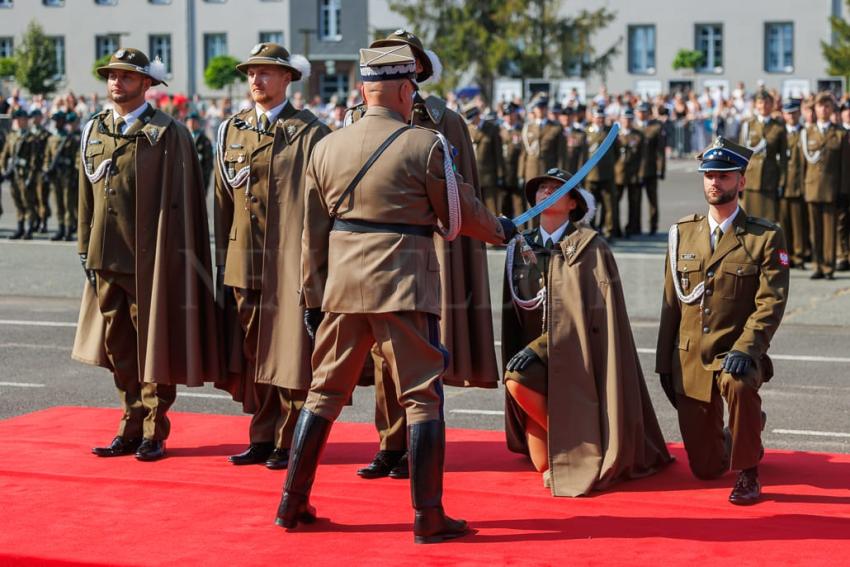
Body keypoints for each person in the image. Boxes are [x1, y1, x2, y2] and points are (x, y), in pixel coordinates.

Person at [275, 44, 514, 543]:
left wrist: (313, 297)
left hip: (342, 287)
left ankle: (290, 504)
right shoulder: (424, 145)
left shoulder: (326, 147)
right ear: (406, 90)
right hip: (403, 285)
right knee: (423, 399)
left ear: (364, 89)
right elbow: (459, 214)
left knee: (324, 394)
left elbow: (311, 233)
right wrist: (501, 231)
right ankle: (428, 516)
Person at [351, 30, 504, 480]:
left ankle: (419, 449)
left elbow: (461, 196)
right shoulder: (356, 118)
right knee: (383, 356)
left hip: (431, 251)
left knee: (421, 353)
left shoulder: (443, 121)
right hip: (375, 252)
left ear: (417, 68)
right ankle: (389, 444)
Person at [71, 48, 219, 461]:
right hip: (106, 256)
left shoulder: (168, 133)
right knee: (119, 347)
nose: (116, 83)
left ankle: (154, 430)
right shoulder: (95, 129)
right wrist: (85, 246)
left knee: (154, 347)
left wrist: (173, 260)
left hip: (149, 261)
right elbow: (85, 194)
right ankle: (129, 423)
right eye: (112, 76)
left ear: (147, 84)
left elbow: (184, 202)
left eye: (126, 77)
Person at [502, 168, 671, 495]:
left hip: (578, 358)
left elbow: (592, 320)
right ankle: (573, 439)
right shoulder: (521, 246)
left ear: (573, 204)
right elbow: (517, 317)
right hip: (535, 359)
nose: (545, 193)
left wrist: (539, 349)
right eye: (540, 189)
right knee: (539, 462)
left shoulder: (588, 247)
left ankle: (580, 444)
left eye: (555, 189)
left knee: (516, 382)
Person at [214, 43, 330, 470]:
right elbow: (223, 202)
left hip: (290, 264)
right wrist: (222, 260)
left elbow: (323, 205)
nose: (256, 81)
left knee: (291, 352)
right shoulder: (233, 129)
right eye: (251, 74)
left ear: (288, 79)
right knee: (252, 350)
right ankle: (261, 436)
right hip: (245, 259)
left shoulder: (311, 132)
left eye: (266, 73)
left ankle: (288, 439)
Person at [656, 137, 789, 505]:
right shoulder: (682, 233)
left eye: (724, 176)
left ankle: (749, 472)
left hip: (737, 354)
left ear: (741, 182)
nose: (715, 182)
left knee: (739, 383)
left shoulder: (764, 236)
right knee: (706, 468)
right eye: (709, 175)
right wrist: (664, 364)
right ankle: (748, 427)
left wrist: (747, 349)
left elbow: (771, 302)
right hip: (691, 357)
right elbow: (671, 303)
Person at [801, 92, 850, 280]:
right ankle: (818, 265)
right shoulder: (807, 133)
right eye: (820, 106)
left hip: (831, 188)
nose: (823, 109)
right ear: (815, 109)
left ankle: (829, 267)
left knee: (830, 230)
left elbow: (844, 166)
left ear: (831, 110)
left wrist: (844, 190)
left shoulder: (840, 133)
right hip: (812, 188)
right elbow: (802, 165)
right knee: (815, 230)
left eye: (827, 106)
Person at [737, 90, 787, 222]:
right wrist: (738, 179)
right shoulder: (748, 126)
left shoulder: (779, 127)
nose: (763, 105)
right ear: (755, 105)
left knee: (769, 221)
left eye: (767, 102)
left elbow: (783, 159)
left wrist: (782, 182)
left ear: (772, 105)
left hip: (770, 180)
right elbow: (741, 156)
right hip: (750, 180)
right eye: (760, 102)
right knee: (748, 221)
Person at [42, 111, 81, 241]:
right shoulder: (51, 139)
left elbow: (77, 158)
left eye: (57, 121)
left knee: (67, 203)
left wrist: (75, 174)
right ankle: (61, 228)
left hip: (67, 176)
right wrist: (47, 168)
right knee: (58, 203)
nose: (55, 123)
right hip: (55, 176)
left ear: (63, 122)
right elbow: (47, 157)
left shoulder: (71, 138)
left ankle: (69, 230)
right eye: (54, 121)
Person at [779, 99, 808, 269]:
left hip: (799, 185)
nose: (791, 116)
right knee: (784, 225)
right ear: (783, 115)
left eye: (794, 112)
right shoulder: (780, 133)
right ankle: (785, 257)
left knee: (799, 224)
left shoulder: (805, 133)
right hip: (782, 185)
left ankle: (799, 256)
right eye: (788, 113)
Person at [463, 101, 505, 215]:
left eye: (473, 118)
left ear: (477, 115)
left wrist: (500, 174)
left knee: (492, 209)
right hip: (472, 175)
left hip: (489, 175)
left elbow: (498, 153)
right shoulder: (467, 129)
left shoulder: (491, 128)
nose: (472, 122)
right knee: (476, 209)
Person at [0, 109, 36, 239]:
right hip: (13, 174)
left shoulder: (31, 138)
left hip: (24, 175)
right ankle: (20, 227)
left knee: (28, 202)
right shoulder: (12, 136)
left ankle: (29, 229)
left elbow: (33, 160)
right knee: (17, 201)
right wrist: (4, 169)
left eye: (22, 119)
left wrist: (30, 177)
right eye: (18, 119)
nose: (19, 122)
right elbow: (5, 154)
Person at [585, 105, 619, 238]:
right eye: (598, 117)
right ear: (592, 118)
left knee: (609, 205)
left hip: (607, 174)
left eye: (602, 118)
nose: (600, 120)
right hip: (590, 175)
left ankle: (609, 231)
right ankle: (591, 231)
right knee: (590, 206)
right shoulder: (586, 132)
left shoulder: (610, 133)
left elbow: (616, 152)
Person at [517, 95, 565, 187]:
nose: (540, 110)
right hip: (531, 170)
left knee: (549, 199)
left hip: (549, 169)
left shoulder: (556, 128)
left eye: (543, 108)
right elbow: (523, 153)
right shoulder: (528, 127)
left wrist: (560, 173)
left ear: (547, 109)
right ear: (534, 110)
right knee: (531, 199)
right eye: (538, 108)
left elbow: (561, 154)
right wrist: (521, 174)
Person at [635, 101, 666, 235]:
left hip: (650, 169)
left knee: (652, 200)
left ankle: (653, 226)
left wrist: (661, 169)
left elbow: (660, 151)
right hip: (635, 170)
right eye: (640, 111)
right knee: (635, 200)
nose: (642, 114)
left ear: (648, 113)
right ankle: (635, 226)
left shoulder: (656, 128)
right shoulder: (633, 127)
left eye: (644, 112)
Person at [614, 107, 644, 237]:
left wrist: (641, 173)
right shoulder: (615, 135)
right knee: (615, 202)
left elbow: (643, 156)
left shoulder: (638, 135)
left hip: (633, 173)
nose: (627, 121)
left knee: (634, 203)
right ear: (620, 119)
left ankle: (633, 227)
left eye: (629, 119)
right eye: (625, 119)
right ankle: (616, 228)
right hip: (618, 173)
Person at [28, 109, 52, 234]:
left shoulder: (46, 135)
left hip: (41, 169)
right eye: (32, 117)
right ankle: (36, 220)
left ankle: (43, 222)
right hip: (31, 170)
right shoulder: (29, 134)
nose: (33, 119)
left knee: (42, 197)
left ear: (40, 118)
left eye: (36, 117)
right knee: (32, 197)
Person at [499, 101, 524, 218]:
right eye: (506, 114)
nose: (509, 117)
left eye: (511, 114)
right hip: (503, 172)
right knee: (503, 205)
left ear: (515, 114)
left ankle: (521, 232)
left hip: (516, 171)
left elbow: (523, 153)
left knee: (518, 205)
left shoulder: (521, 130)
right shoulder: (498, 131)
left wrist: (521, 174)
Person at [185, 111, 214, 197]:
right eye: (189, 121)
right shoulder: (183, 138)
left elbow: (208, 164)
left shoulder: (204, 140)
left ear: (198, 123)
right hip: (185, 179)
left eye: (193, 121)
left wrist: (204, 181)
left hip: (199, 178)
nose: (191, 123)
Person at [837, 100, 850, 271]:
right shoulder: (837, 132)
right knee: (840, 222)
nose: (848, 113)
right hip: (841, 184)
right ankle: (842, 255)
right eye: (845, 110)